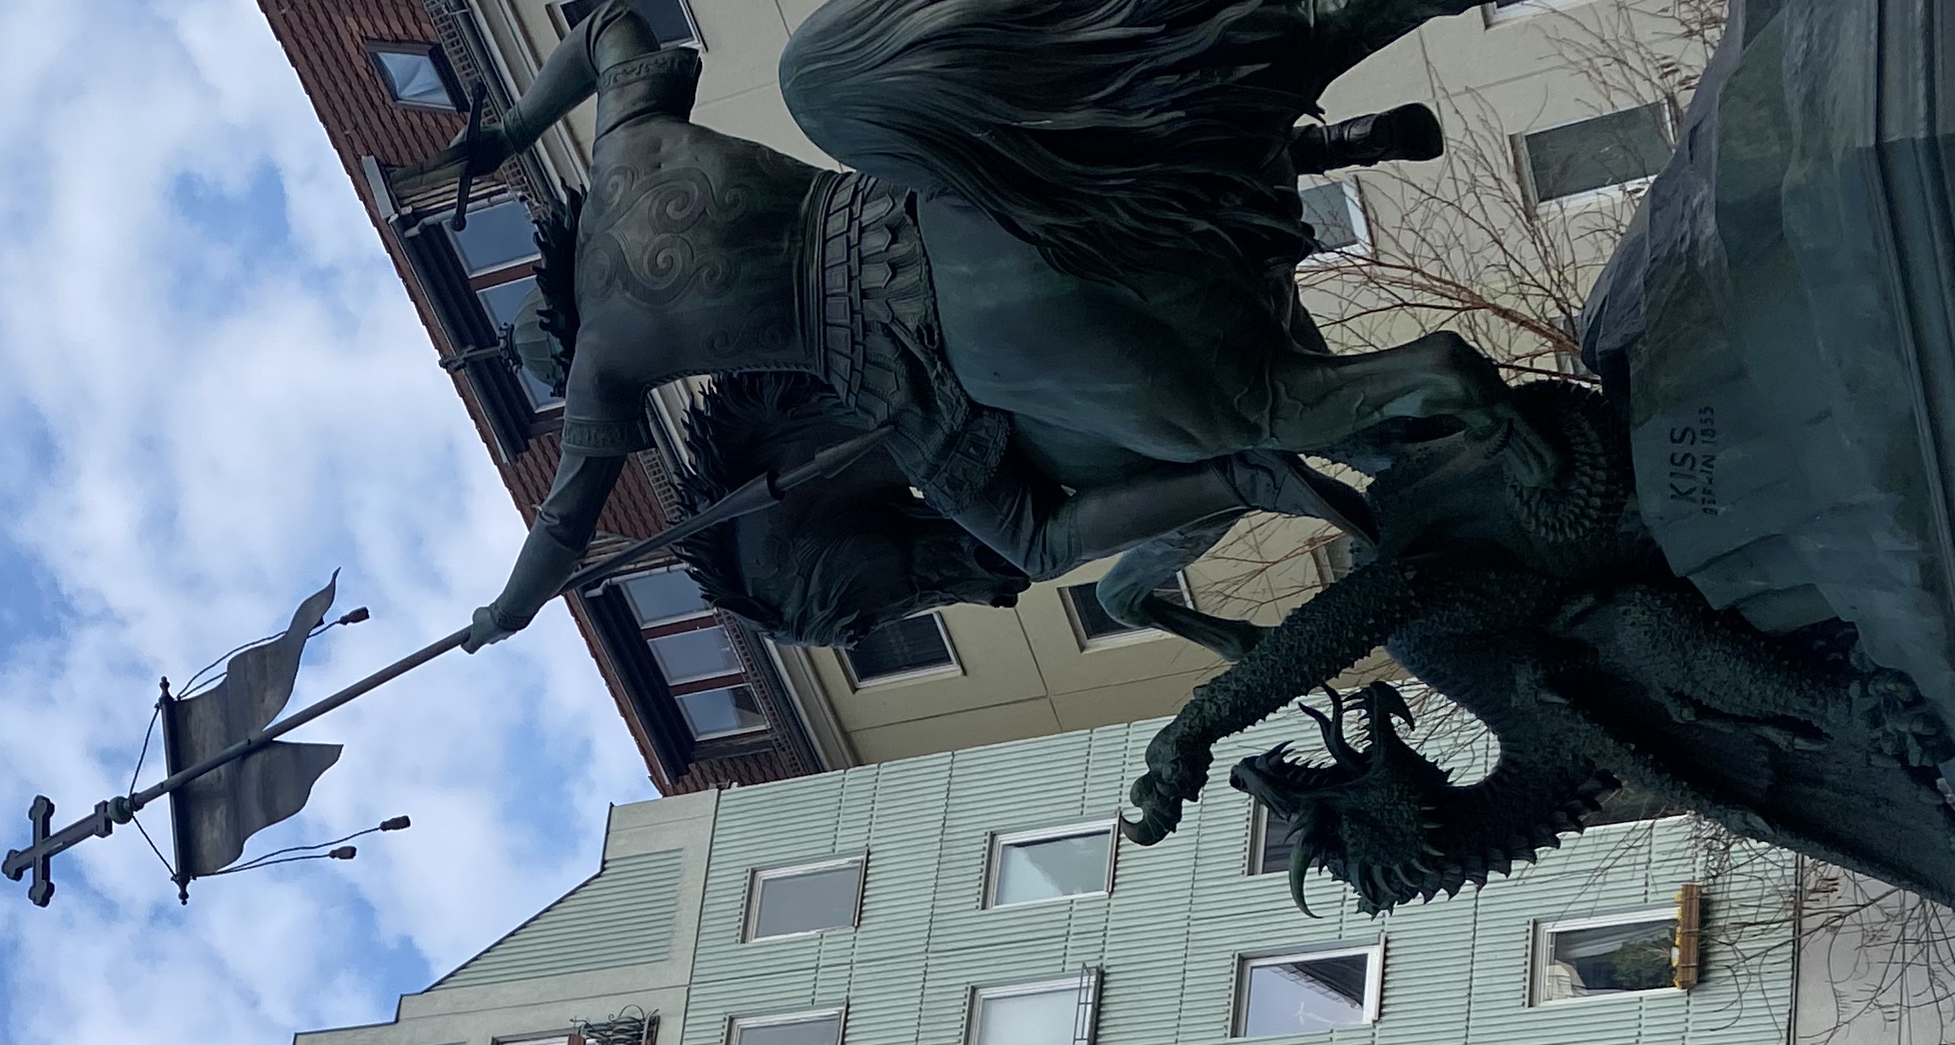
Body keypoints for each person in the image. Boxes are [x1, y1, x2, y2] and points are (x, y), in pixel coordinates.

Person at [448, 0, 1500, 647]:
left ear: (558, 325)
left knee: (1033, 543)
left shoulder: (601, 367)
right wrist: (506, 130)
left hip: (881, 343)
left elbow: (566, 526)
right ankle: (1310, 107)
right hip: (899, 190)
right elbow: (600, 34)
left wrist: (508, 610)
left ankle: (1255, 464)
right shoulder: (625, 149)